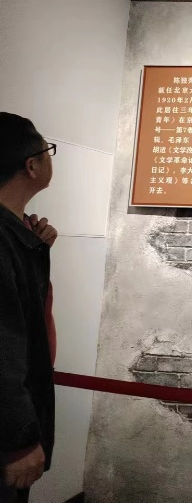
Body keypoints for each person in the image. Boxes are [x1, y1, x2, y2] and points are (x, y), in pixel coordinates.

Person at [0, 113, 58, 503]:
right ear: (32, 166)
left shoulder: (16, 231)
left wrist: (34, 247)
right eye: (48, 151)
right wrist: (20, 439)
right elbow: (4, 345)